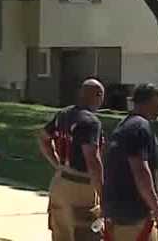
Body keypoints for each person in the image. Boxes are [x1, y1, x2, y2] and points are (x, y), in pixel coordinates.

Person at [38, 78, 106, 241]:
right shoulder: (90, 122)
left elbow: (43, 137)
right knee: (84, 234)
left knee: (61, 234)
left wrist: (56, 164)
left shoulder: (63, 115)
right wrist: (104, 196)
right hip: (81, 187)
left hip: (60, 183)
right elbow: (92, 160)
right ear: (98, 96)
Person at [102, 83, 158, 241]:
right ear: (150, 102)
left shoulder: (124, 126)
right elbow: (140, 171)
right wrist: (157, 210)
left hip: (116, 210)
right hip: (134, 214)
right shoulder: (140, 127)